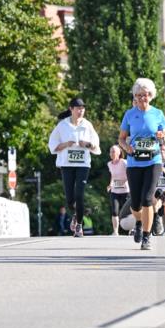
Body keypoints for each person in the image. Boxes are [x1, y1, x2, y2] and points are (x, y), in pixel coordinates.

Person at [118, 78, 165, 251]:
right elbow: (121, 138)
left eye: (145, 95)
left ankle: (147, 237)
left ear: (150, 96)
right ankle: (139, 221)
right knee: (135, 203)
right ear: (135, 96)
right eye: (138, 95)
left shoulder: (158, 114)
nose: (142, 98)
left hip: (153, 161)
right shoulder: (129, 114)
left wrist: (163, 136)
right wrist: (127, 148)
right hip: (134, 162)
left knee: (148, 198)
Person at [48, 97, 101, 238]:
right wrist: (66, 144)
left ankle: (79, 225)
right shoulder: (62, 126)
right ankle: (75, 215)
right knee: (70, 199)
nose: (81, 111)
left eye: (83, 108)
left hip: (83, 164)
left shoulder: (87, 125)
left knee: (80, 194)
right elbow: (52, 146)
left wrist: (87, 145)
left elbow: (96, 146)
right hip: (66, 164)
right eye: (78, 108)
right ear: (71, 109)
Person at [106, 145, 129, 236]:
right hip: (115, 191)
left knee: (127, 212)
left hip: (125, 190)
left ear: (119, 153)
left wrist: (124, 180)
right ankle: (115, 231)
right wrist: (110, 184)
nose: (112, 153)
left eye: (114, 151)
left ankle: (132, 229)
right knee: (114, 211)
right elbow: (113, 175)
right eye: (111, 151)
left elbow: (130, 173)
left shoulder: (124, 162)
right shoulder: (109, 164)